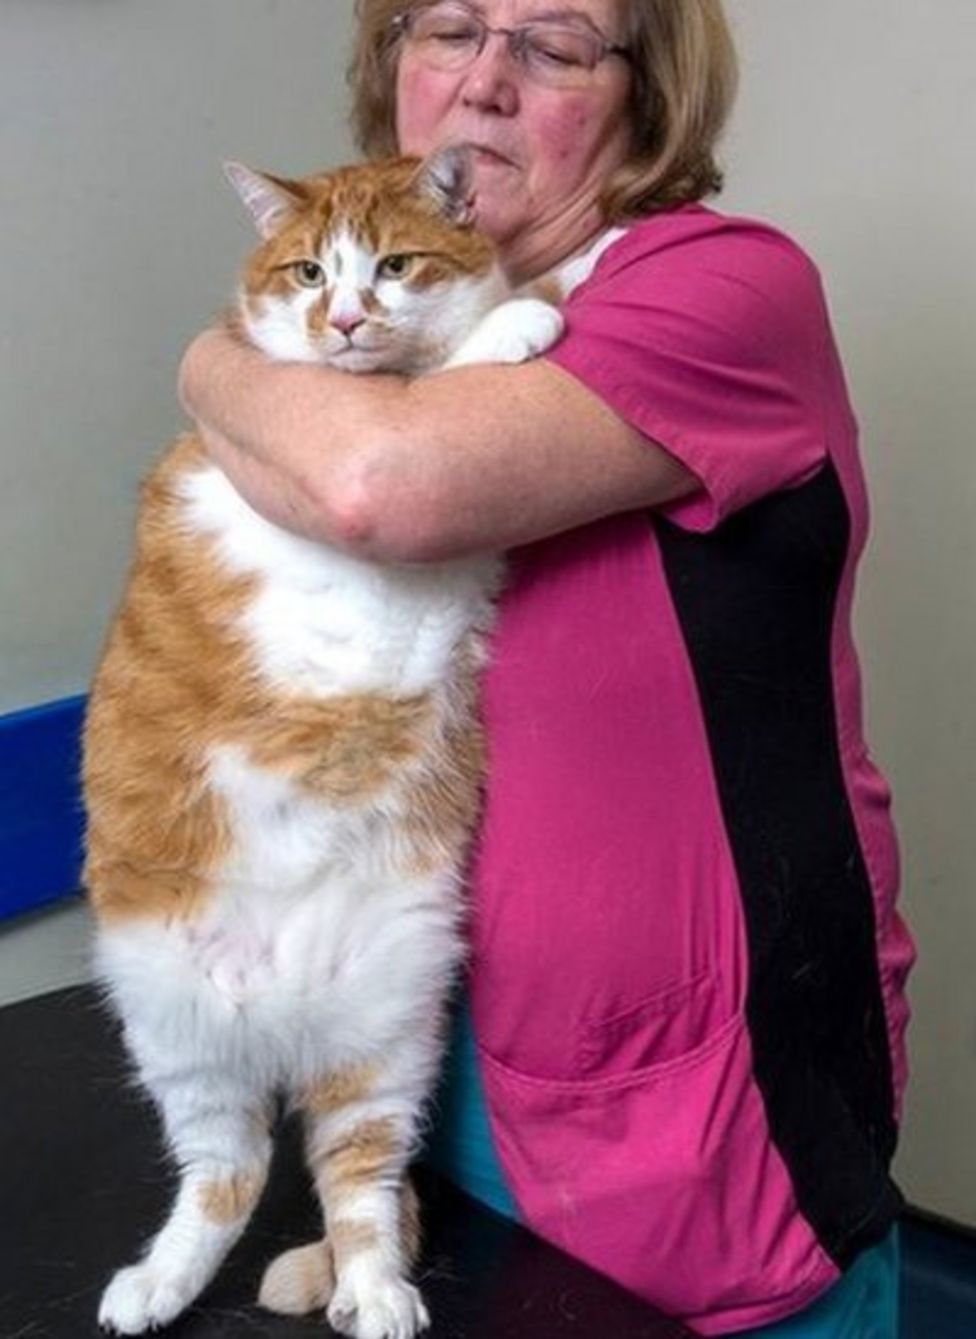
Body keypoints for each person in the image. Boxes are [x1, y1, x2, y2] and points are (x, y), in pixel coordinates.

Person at [178, 2, 915, 1333]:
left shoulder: (722, 286)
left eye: (558, 44)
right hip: (418, 1046)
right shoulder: (394, 333)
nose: (485, 83)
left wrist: (206, 360)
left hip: (690, 1108)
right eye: (449, 27)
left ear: (648, 91)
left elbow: (372, 489)